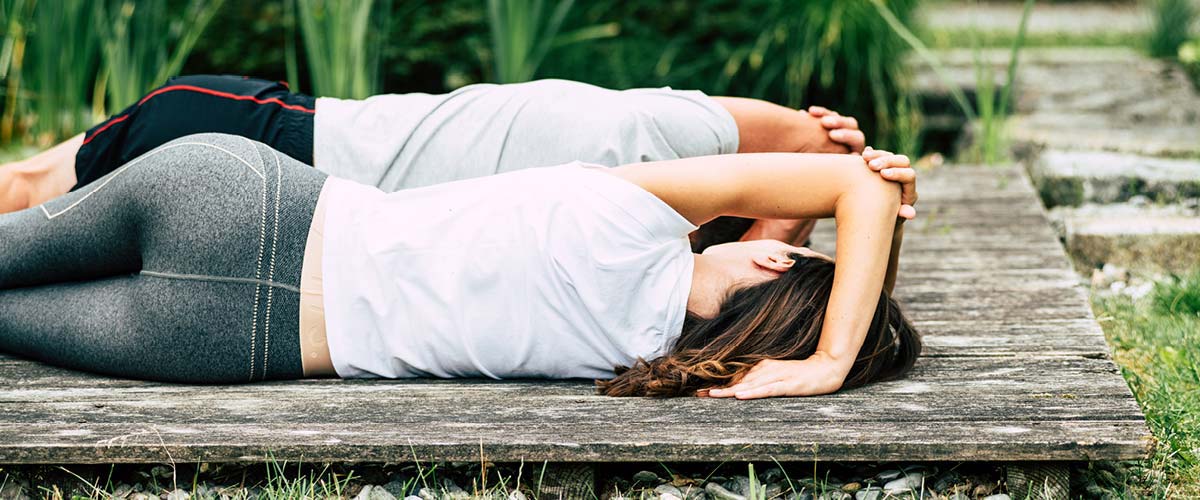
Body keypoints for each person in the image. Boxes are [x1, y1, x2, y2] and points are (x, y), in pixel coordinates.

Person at [0, 133, 919, 398]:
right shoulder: (634, 367)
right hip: (231, 338)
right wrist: (813, 363)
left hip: (243, 199)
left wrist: (831, 352)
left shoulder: (641, 217)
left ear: (771, 250)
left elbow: (856, 187)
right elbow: (799, 302)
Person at [0, 75, 872, 246]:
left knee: (36, 211)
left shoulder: (661, 194)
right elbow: (818, 143)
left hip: (275, 157)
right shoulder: (670, 135)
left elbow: (822, 148)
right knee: (30, 198)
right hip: (274, 137)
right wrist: (783, 225)